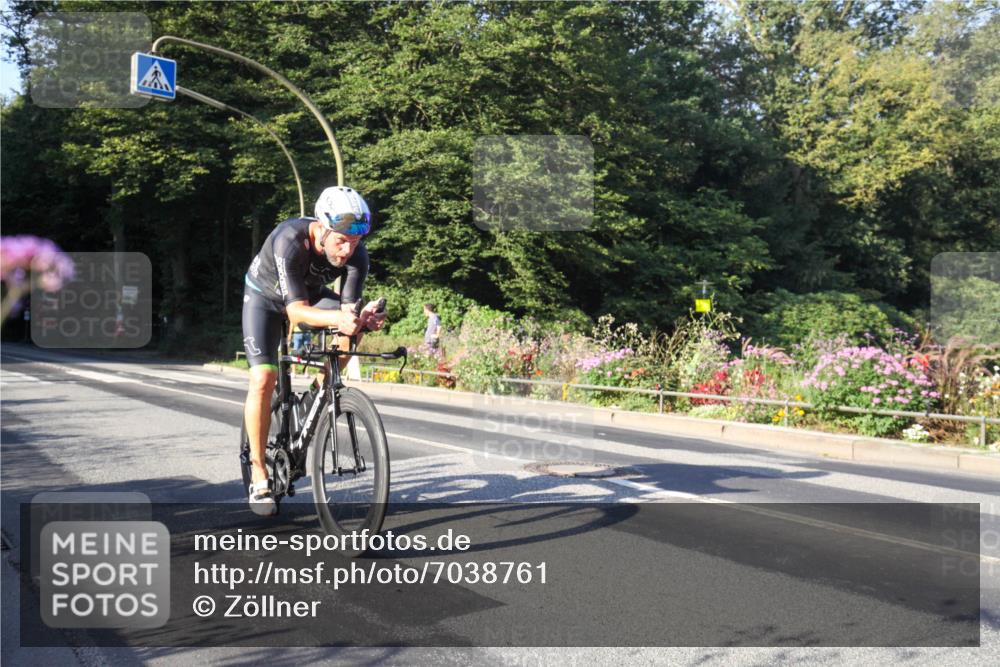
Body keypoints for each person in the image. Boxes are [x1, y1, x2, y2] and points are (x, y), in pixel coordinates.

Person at [241, 186, 386, 516]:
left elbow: (346, 313)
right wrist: (338, 316)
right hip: (264, 299)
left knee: (353, 327)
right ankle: (258, 470)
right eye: (341, 241)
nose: (348, 250)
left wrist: (360, 319)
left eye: (355, 241)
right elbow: (296, 313)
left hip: (309, 295)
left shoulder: (356, 256)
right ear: (321, 227)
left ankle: (321, 392)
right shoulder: (289, 240)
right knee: (263, 378)